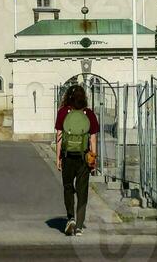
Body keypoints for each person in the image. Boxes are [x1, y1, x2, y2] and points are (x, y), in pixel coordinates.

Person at [55, 84, 99, 236]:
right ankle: (79, 226)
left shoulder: (62, 113)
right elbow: (93, 140)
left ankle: (70, 218)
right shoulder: (89, 114)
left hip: (67, 157)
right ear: (84, 98)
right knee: (82, 192)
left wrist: (58, 158)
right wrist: (93, 161)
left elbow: (59, 137)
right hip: (83, 158)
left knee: (68, 188)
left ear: (68, 97)